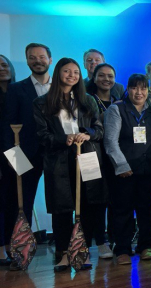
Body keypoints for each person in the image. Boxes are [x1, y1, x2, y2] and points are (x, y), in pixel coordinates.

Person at [33, 58, 108, 272]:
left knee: (88, 206)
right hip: (59, 160)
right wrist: (63, 139)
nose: (72, 75)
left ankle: (82, 251)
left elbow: (99, 129)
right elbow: (41, 135)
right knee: (62, 208)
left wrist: (87, 134)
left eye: (75, 72)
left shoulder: (88, 100)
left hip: (87, 157)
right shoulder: (42, 103)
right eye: (67, 71)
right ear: (58, 73)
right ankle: (64, 254)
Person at [103, 74, 151, 265]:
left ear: (148, 90)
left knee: (147, 210)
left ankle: (146, 246)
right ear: (127, 89)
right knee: (122, 210)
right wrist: (121, 165)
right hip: (124, 171)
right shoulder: (116, 109)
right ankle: (122, 249)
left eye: (143, 88)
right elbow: (110, 141)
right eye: (134, 88)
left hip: (148, 169)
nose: (139, 92)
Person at [2, 44, 53, 242]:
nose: (37, 61)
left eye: (41, 57)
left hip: (57, 153)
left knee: (61, 201)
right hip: (25, 154)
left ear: (49, 59)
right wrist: (13, 157)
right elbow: (7, 125)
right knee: (22, 202)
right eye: (32, 57)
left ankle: (63, 248)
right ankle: (20, 247)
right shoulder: (16, 89)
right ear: (27, 61)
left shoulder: (62, 88)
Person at [84, 62, 118, 258]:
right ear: (94, 78)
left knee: (113, 200)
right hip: (91, 155)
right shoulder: (86, 100)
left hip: (112, 156)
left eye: (110, 76)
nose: (106, 79)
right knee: (92, 201)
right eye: (102, 75)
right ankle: (88, 243)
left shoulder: (118, 99)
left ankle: (109, 241)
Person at [0, 54, 16, 265]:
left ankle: (13, 245)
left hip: (15, 154)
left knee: (14, 200)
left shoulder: (16, 92)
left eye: (4, 65)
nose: (1, 68)